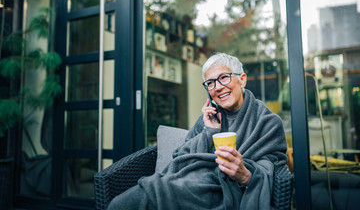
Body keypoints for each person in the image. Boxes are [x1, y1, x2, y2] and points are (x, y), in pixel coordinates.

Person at [107, 53, 288, 210]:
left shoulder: (268, 123)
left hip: (225, 192)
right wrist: (209, 131)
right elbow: (180, 158)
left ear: (242, 79)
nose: (217, 87)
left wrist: (245, 174)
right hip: (189, 182)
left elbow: (272, 168)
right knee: (122, 202)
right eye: (210, 83)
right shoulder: (211, 117)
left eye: (224, 77)